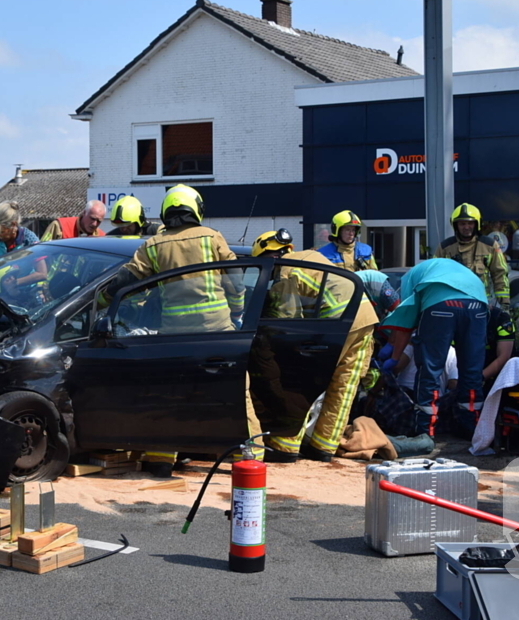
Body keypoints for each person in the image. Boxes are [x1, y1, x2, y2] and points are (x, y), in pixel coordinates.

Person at [104, 185, 253, 477]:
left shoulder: (153, 245)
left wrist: (104, 300)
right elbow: (235, 282)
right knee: (235, 391)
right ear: (196, 209)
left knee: (169, 393)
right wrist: (237, 311)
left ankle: (160, 458)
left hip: (174, 333)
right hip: (216, 331)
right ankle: (247, 456)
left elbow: (127, 279)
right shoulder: (212, 237)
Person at [251, 229, 377, 462]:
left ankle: (284, 447)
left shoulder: (284, 273)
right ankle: (323, 448)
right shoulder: (312, 256)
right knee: (344, 386)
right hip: (365, 317)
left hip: (336, 324)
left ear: (268, 257)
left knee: (300, 381)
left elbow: (286, 320)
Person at [378, 258, 489, 438]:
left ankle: (425, 431)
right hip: (477, 302)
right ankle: (472, 429)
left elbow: (406, 324)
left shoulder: (408, 278)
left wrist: (394, 358)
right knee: (472, 370)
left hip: (440, 305)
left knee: (430, 368)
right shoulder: (453, 270)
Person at [433, 203, 510, 308]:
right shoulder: (445, 247)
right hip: (453, 304)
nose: (466, 227)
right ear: (456, 225)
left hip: (481, 303)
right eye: (462, 224)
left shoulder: (490, 245)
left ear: (476, 224)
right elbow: (434, 275)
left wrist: (504, 304)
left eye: (470, 223)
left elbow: (500, 273)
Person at [0, 201, 47, 291]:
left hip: (27, 293)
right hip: (2, 293)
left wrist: (15, 283)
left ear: (13, 225)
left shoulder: (29, 240)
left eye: (2, 232)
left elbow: (42, 274)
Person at [41, 200, 106, 241]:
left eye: (99, 221)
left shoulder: (102, 238)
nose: (94, 224)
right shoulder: (59, 226)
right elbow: (41, 251)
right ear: (84, 213)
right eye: (92, 218)